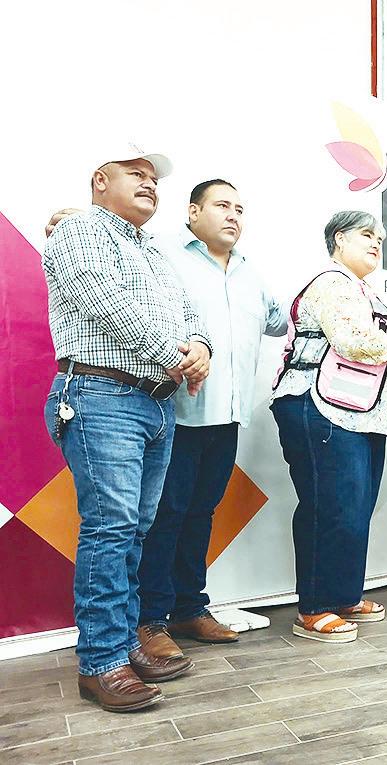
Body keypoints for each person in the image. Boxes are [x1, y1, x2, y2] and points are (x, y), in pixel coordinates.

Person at [42, 145, 211, 712]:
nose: (149, 184)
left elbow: (189, 313)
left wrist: (200, 348)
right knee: (111, 530)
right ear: (100, 180)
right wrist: (175, 356)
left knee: (135, 531)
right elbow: (103, 302)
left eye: (153, 178)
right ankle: (101, 662)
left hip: (155, 403)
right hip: (100, 394)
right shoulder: (81, 230)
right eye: (135, 174)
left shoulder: (153, 250)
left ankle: (125, 642)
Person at [271, 211, 387, 642]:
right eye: (367, 235)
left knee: (354, 509)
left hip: (360, 414)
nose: (376, 244)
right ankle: (314, 608)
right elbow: (356, 342)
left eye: (380, 239)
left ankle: (344, 595)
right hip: (321, 408)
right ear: (338, 239)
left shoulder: (363, 291)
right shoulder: (331, 283)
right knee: (328, 507)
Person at [133, 180, 288, 654]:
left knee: (200, 515)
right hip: (174, 412)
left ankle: (189, 608)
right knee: (165, 516)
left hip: (228, 416)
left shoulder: (249, 273)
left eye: (240, 208)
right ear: (193, 212)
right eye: (222, 205)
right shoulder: (162, 254)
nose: (233, 215)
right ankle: (149, 619)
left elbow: (280, 321)